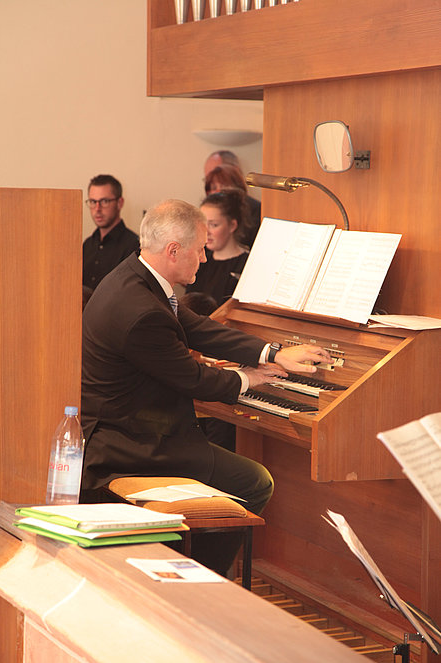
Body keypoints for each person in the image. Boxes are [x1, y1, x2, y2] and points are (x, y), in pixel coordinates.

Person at [80, 199, 331, 573]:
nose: (204, 258)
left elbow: (194, 326)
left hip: (127, 427)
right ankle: (200, 576)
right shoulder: (140, 309)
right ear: (173, 250)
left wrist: (272, 352)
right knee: (256, 481)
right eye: (199, 249)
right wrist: (249, 379)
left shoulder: (135, 276)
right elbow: (193, 378)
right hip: (131, 444)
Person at [185, 188, 251, 308]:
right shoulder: (198, 261)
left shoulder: (248, 265)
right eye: (202, 224)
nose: (206, 231)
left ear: (232, 225)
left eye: (214, 225)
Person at [82, 174, 139, 290]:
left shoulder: (134, 246)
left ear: (119, 203)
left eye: (104, 201)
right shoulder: (87, 245)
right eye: (93, 201)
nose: (97, 209)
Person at [204, 164, 261, 248]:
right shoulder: (207, 210)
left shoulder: (255, 209)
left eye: (223, 187)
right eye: (214, 188)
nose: (218, 192)